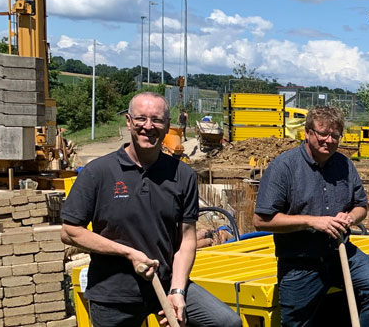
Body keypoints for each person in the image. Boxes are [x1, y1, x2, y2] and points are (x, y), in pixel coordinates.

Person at [61, 92, 240, 327]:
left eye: (157, 120)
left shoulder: (182, 175)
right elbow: (70, 231)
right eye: (141, 119)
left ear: (167, 126)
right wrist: (128, 253)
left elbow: (187, 239)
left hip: (164, 283)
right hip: (113, 292)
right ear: (128, 121)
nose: (148, 126)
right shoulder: (99, 172)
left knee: (226, 322)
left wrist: (177, 290)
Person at [253, 106, 369, 327]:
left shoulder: (344, 165)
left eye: (335, 135)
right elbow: (261, 220)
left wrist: (350, 218)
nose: (328, 140)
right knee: (296, 323)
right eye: (323, 133)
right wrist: (311, 221)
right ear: (308, 133)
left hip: (340, 253)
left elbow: (361, 207)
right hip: (300, 261)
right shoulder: (284, 167)